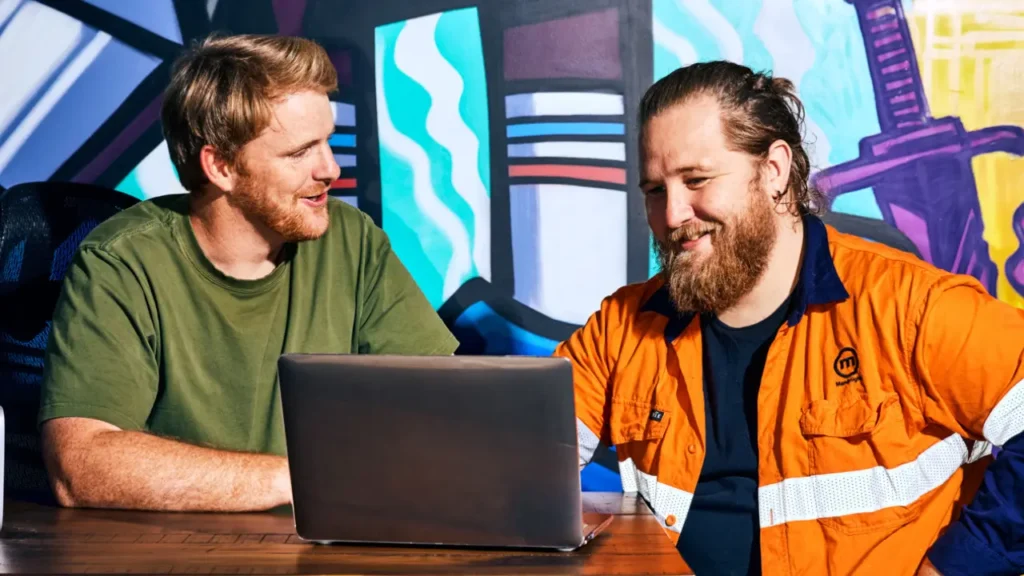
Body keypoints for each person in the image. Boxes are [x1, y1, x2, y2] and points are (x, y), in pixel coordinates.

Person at [556, 61, 1023, 576]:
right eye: (655, 190)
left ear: (774, 171)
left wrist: (956, 568)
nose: (672, 215)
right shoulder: (622, 327)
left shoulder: (907, 306)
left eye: (697, 179)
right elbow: (520, 458)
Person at [38, 34, 458, 512]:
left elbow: (442, 405)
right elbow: (81, 467)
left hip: (329, 544)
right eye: (300, 152)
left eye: (327, 142)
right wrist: (310, 477)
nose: (331, 169)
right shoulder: (121, 260)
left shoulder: (351, 238)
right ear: (221, 166)